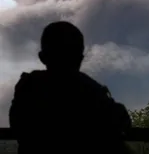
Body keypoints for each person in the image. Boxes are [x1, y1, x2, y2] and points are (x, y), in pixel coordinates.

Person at [9, 21, 132, 154]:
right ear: (80, 59)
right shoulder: (93, 92)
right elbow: (122, 123)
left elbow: (17, 126)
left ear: (43, 57)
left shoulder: (28, 88)